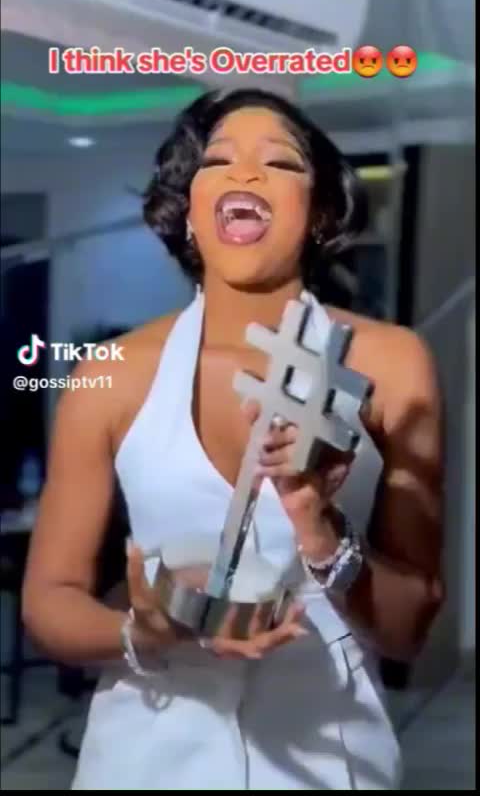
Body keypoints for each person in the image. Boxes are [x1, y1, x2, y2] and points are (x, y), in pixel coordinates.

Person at [22, 88, 445, 790]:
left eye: (279, 162)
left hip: (331, 759)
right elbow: (49, 602)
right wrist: (143, 631)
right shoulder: (112, 372)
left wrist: (320, 526)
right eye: (217, 161)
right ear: (189, 211)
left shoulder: (392, 365)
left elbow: (409, 630)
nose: (245, 171)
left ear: (320, 213)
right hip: (143, 757)